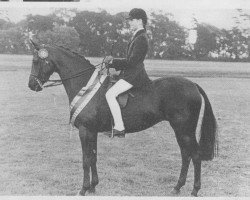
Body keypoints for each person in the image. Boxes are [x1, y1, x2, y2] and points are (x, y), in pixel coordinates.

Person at [104, 8, 151, 138]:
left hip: (134, 76)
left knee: (110, 94)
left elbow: (133, 61)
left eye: (132, 20)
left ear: (140, 21)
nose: (130, 22)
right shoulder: (137, 36)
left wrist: (113, 62)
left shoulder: (141, 38)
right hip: (130, 73)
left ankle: (119, 127)